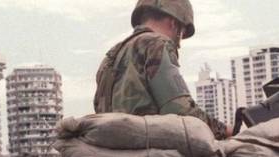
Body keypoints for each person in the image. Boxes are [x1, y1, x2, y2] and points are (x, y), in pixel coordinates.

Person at [94, 0, 231, 140]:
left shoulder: (110, 57)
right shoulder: (157, 43)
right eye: (182, 33)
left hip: (110, 152)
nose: (180, 43)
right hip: (148, 150)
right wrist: (223, 130)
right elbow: (180, 111)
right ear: (174, 23)